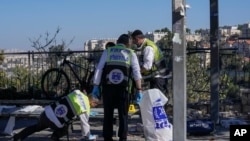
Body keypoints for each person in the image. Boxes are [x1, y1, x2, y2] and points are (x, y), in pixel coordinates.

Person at [91, 34, 142, 141]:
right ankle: (122, 138)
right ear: (128, 43)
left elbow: (99, 69)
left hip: (108, 88)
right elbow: (137, 73)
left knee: (108, 114)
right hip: (124, 89)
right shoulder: (131, 53)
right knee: (123, 114)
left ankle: (107, 137)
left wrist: (96, 86)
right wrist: (139, 90)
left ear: (118, 41)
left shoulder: (108, 51)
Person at [13, 89, 99, 141]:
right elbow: (84, 124)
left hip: (47, 113)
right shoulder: (85, 108)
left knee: (36, 127)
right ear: (93, 102)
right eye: (95, 105)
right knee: (66, 130)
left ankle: (17, 137)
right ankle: (54, 137)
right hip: (55, 122)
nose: (94, 106)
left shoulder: (78, 92)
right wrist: (88, 136)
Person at [131, 29, 170, 95]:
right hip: (158, 77)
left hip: (158, 78)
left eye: (134, 41)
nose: (134, 43)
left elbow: (147, 66)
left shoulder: (148, 48)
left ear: (137, 39)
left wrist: (137, 73)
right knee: (156, 100)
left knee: (156, 101)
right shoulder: (148, 44)